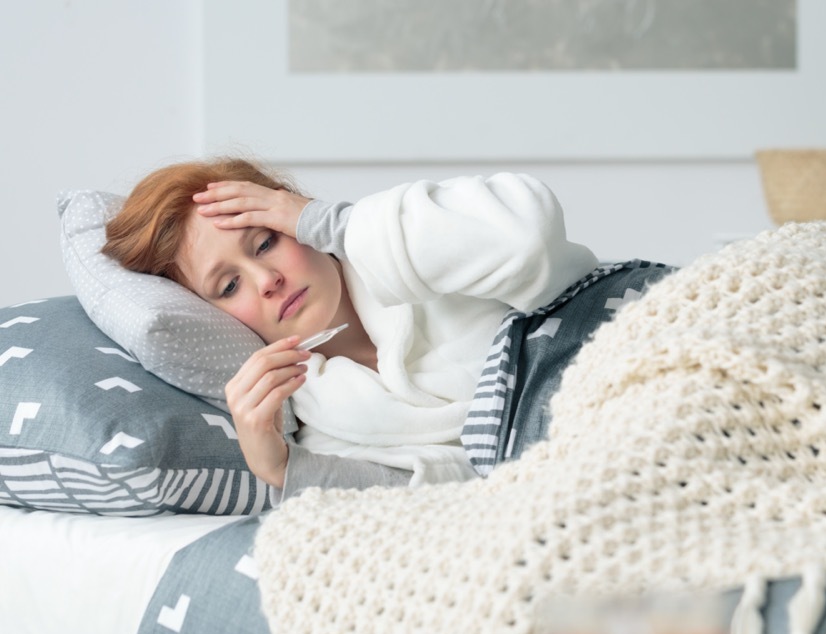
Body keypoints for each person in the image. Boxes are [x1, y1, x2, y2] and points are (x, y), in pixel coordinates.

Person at [101, 157, 654, 501]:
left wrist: (330, 220)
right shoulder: (324, 410)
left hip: (645, 342)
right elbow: (430, 493)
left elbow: (528, 238)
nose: (267, 279)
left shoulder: (409, 248)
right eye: (228, 286)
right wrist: (279, 465)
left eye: (266, 241)